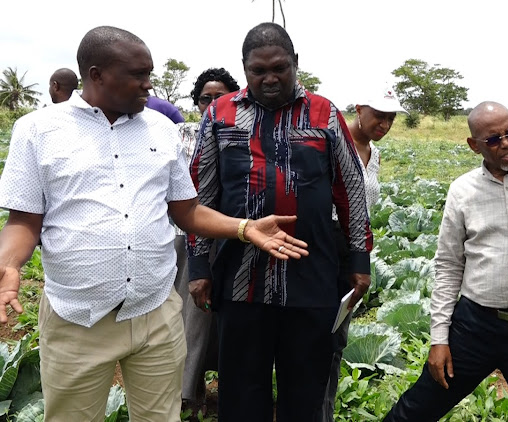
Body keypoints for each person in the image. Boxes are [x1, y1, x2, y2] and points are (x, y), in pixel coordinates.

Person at [0, 25, 308, 422]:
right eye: (138, 75)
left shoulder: (161, 129)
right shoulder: (38, 130)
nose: (149, 84)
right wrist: (9, 264)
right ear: (96, 75)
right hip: (78, 318)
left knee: (161, 417)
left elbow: (187, 211)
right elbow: (24, 221)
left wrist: (243, 227)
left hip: (156, 312)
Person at [186, 22, 372, 421]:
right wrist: (200, 266)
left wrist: (359, 258)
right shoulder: (221, 114)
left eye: (280, 68)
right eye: (259, 70)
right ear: (245, 68)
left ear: (295, 64)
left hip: (312, 275)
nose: (270, 78)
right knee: (240, 388)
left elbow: (350, 190)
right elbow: (202, 193)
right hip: (240, 276)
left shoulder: (324, 113)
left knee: (305, 388)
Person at [383, 101, 508, 422]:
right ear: (474, 145)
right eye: (493, 139)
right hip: (474, 327)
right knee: (415, 411)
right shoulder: (463, 191)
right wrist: (439, 339)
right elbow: (449, 268)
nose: (506, 142)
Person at [318, 88, 406, 422]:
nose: (385, 124)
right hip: (328, 245)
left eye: (391, 118)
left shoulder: (375, 153)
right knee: (320, 333)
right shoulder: (333, 146)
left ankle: (323, 409)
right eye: (379, 116)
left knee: (338, 335)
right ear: (359, 109)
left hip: (356, 250)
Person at [174, 67, 241, 417]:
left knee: (221, 317)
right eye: (205, 98)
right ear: (196, 101)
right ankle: (190, 391)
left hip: (226, 234)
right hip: (184, 240)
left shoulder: (239, 130)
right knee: (191, 315)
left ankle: (226, 386)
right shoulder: (179, 133)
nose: (212, 103)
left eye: (220, 97)